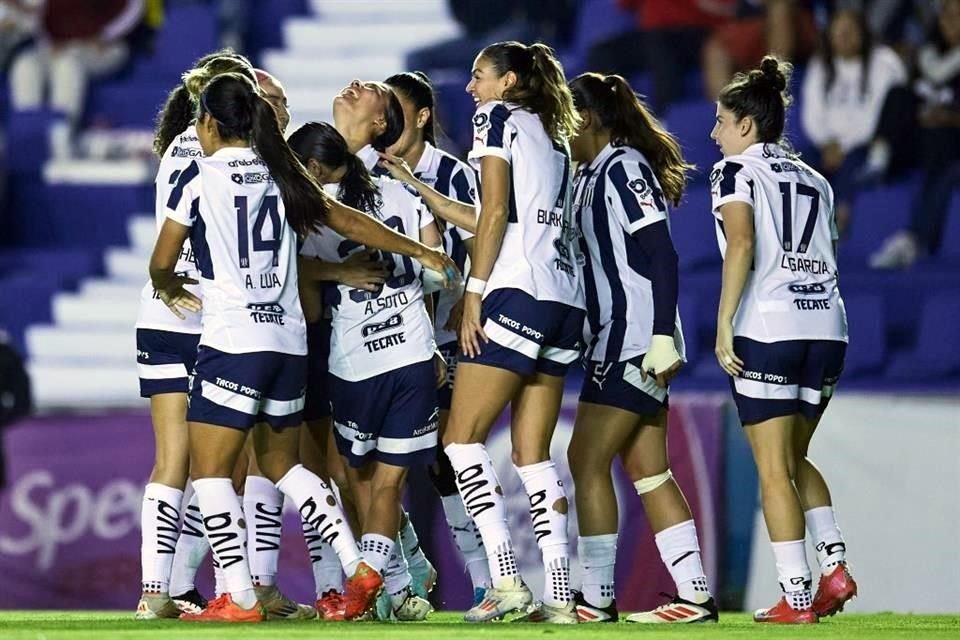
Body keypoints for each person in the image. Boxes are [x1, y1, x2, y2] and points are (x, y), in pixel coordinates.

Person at [148, 72, 457, 623]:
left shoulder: (196, 173)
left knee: (211, 471)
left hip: (233, 338)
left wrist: (168, 285)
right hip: (288, 342)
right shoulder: (281, 169)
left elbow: (163, 259)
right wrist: (420, 250)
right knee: (285, 466)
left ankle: (239, 595)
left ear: (210, 123)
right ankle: (358, 568)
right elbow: (344, 218)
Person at [396, 41, 584, 623]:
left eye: (480, 76)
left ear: (507, 82)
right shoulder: (554, 135)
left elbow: (497, 214)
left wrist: (473, 294)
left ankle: (505, 581)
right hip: (563, 301)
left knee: (459, 441)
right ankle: (558, 593)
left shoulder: (495, 118)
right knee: (533, 455)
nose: (472, 88)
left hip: (514, 291)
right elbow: (500, 214)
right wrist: (421, 190)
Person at [565, 72, 718, 625]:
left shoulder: (623, 167)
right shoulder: (587, 173)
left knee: (584, 459)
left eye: (566, 116)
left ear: (590, 117)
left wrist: (658, 335)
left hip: (632, 338)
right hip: (616, 337)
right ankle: (695, 596)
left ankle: (596, 599)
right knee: (649, 471)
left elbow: (662, 254)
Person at [709, 55, 856, 624]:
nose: (714, 132)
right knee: (794, 457)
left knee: (772, 468)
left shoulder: (735, 171)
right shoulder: (815, 177)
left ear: (747, 124)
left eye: (721, 120)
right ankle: (834, 567)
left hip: (770, 327)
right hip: (828, 327)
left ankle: (796, 599)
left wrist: (724, 323)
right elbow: (831, 251)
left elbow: (741, 244)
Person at [290, 120, 446, 622]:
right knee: (387, 487)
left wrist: (335, 274)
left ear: (310, 168)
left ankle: (379, 589)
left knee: (353, 478)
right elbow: (436, 274)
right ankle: (393, 588)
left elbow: (305, 300)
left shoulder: (310, 214)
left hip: (357, 365)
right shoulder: (401, 194)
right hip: (414, 354)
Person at [135, 50, 259, 621]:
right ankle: (192, 583)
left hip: (162, 312)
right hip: (215, 318)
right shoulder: (228, 154)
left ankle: (155, 591)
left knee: (173, 460)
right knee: (221, 468)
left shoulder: (173, 152)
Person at [382, 71, 490, 605]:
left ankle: (487, 583)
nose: (386, 121)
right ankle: (391, 582)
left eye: (396, 110)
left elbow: (479, 241)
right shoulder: (367, 172)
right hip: (388, 338)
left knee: (448, 459)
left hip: (444, 337)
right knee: (381, 463)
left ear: (422, 116)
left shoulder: (452, 172)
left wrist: (471, 301)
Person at [870, 0, 960, 269]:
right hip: (921, 140)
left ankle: (913, 239)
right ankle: (879, 156)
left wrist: (948, 117)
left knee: (948, 165)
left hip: (950, 144)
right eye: (946, 15)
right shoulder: (927, 56)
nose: (950, 22)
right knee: (898, 94)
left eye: (958, 16)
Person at [801, 8, 907, 234]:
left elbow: (879, 114)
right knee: (799, 163)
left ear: (864, 33)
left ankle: (840, 219)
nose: (845, 37)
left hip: (865, 143)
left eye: (851, 31)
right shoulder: (820, 65)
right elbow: (812, 114)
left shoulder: (883, 62)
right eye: (839, 31)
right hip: (827, 145)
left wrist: (843, 147)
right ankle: (797, 226)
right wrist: (827, 143)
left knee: (854, 162)